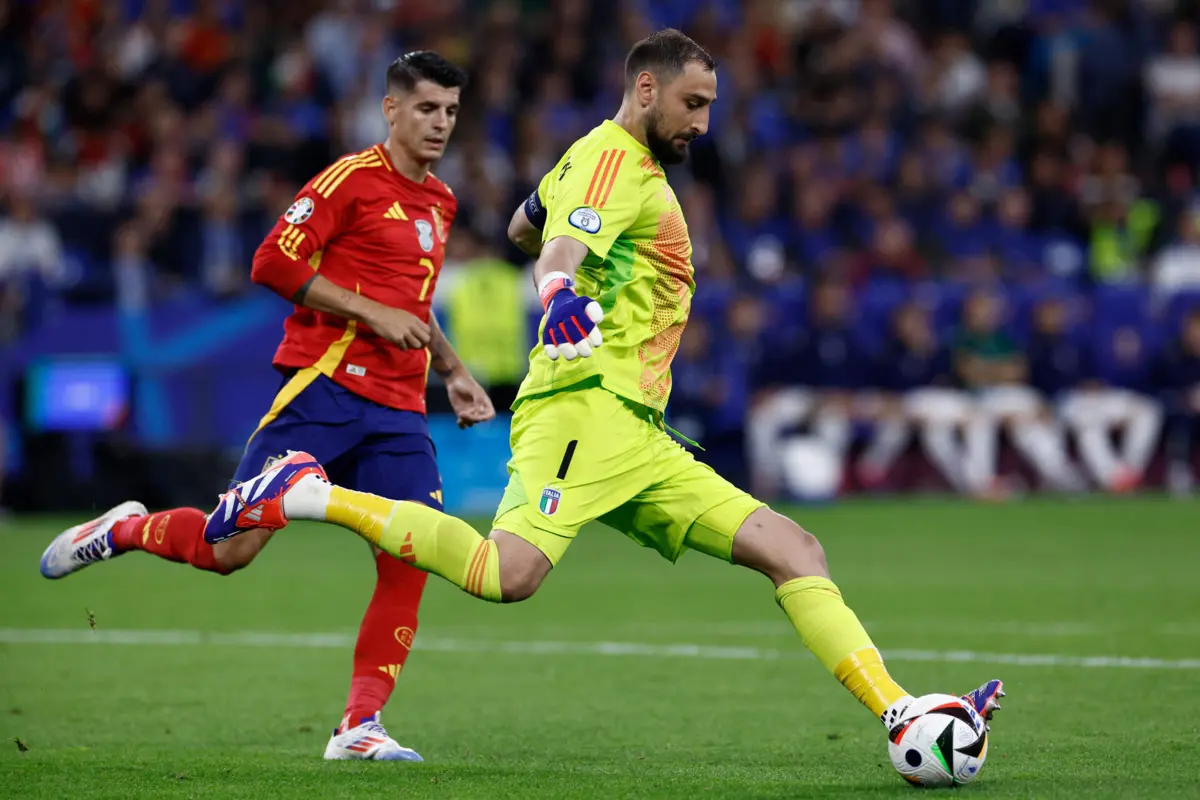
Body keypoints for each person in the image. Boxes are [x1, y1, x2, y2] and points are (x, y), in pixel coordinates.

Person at [65, 30, 1004, 751]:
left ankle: (899, 713)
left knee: (794, 548)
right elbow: (552, 251)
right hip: (576, 411)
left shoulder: (545, 173)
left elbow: (525, 225)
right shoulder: (611, 159)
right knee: (501, 577)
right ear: (646, 88)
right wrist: (560, 292)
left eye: (711, 106)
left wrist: (469, 353)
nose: (703, 124)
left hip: (633, 427)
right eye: (693, 102)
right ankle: (304, 495)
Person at [38, 52, 495, 761]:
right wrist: (369, 312)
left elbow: (416, 306)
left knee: (409, 555)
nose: (440, 124)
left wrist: (454, 369)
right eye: (428, 108)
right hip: (325, 390)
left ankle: (358, 727)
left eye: (451, 112)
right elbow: (272, 262)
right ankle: (124, 530)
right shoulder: (349, 180)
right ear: (392, 109)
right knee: (232, 551)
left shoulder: (441, 201)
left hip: (400, 408)